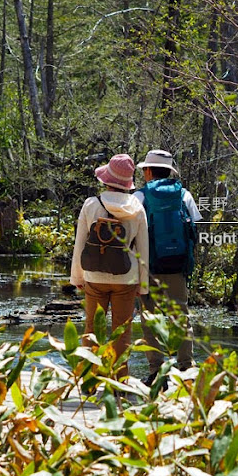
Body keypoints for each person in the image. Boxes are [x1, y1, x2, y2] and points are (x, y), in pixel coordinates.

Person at [70, 153, 149, 379]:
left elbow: (80, 244)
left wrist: (77, 278)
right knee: (121, 333)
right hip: (126, 278)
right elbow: (144, 249)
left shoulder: (91, 204)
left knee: (92, 329)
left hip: (94, 276)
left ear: (105, 180)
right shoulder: (137, 208)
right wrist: (142, 286)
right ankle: (119, 380)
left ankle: (89, 379)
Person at [133, 149, 202, 386]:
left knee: (150, 318)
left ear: (149, 171)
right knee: (180, 316)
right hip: (177, 266)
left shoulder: (140, 197)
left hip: (148, 266)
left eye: (144, 169)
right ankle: (187, 368)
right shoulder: (184, 194)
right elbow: (195, 227)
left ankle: (157, 373)